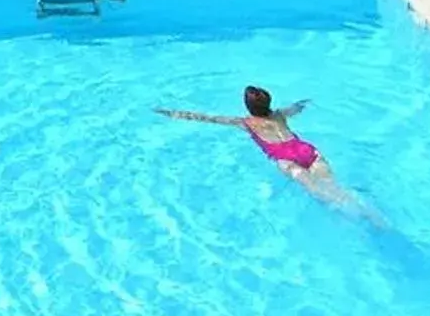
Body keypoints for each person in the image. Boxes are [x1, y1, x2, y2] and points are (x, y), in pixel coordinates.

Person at [157, 86, 378, 219]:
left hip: (287, 159)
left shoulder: (245, 123)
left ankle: (358, 221)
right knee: (337, 190)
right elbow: (297, 107)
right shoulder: (280, 114)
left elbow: (207, 118)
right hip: (307, 150)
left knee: (326, 196)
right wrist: (306, 101)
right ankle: (373, 216)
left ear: (248, 107)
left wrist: (174, 114)